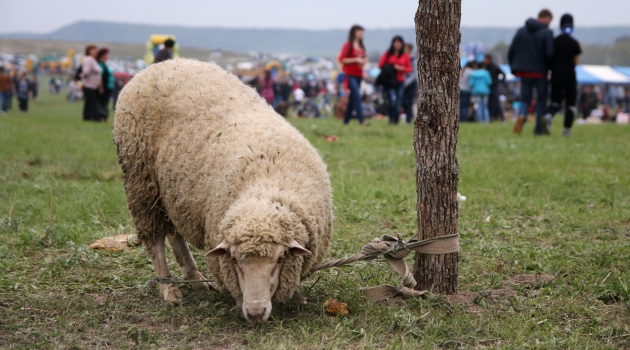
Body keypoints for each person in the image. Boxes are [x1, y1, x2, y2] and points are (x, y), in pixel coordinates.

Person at [508, 9, 554, 135]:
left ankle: (522, 115)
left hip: (523, 71)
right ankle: (538, 129)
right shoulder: (547, 32)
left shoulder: (522, 30)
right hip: (540, 72)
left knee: (525, 100)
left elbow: (512, 49)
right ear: (547, 18)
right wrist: (550, 68)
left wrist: (513, 68)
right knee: (541, 100)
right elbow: (550, 53)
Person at [543, 14, 582, 136]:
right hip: (569, 76)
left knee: (555, 101)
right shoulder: (574, 43)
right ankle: (567, 130)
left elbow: (549, 57)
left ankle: (548, 115)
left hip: (555, 75)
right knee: (570, 104)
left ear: (560, 26)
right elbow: (576, 61)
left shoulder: (554, 42)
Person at [378, 35, 412, 124]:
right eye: (395, 43)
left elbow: (409, 69)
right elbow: (380, 65)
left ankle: (395, 120)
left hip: (400, 81)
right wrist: (391, 67)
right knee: (392, 100)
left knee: (398, 101)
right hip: (389, 82)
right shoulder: (387, 54)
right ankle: (391, 118)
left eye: (399, 43)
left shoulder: (405, 56)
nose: (397, 45)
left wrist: (401, 68)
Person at [338, 25, 367, 125]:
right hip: (349, 74)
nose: (361, 34)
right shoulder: (348, 45)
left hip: (359, 74)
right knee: (358, 96)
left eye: (362, 32)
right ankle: (361, 121)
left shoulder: (361, 46)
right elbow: (342, 59)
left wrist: (363, 61)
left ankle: (346, 121)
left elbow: (362, 60)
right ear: (354, 32)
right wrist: (355, 59)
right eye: (360, 32)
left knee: (352, 98)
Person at [81, 44, 102, 121]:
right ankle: (96, 118)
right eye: (94, 50)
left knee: (88, 102)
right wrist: (84, 76)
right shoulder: (89, 59)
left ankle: (87, 117)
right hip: (89, 84)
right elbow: (86, 71)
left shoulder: (92, 59)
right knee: (93, 101)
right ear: (90, 51)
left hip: (92, 84)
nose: (96, 51)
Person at [483, 54, 505, 121]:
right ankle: (491, 117)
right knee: (489, 104)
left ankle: (502, 118)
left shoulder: (494, 67)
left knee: (497, 103)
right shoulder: (485, 67)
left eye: (486, 59)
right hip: (487, 87)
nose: (485, 61)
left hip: (494, 87)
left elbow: (503, 74)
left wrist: (500, 82)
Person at [402, 43, 418, 124]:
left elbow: (414, 73)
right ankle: (410, 115)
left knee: (409, 101)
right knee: (402, 101)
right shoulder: (402, 58)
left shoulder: (413, 59)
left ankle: (408, 118)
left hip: (411, 83)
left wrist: (406, 82)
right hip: (403, 82)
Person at [97, 48, 114, 122]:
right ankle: (103, 116)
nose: (108, 56)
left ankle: (104, 116)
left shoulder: (104, 64)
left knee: (105, 102)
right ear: (102, 55)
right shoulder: (100, 64)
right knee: (103, 102)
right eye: (107, 54)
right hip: (104, 87)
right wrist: (101, 87)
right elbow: (100, 76)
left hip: (108, 86)